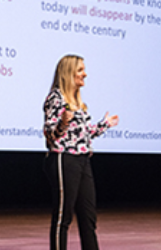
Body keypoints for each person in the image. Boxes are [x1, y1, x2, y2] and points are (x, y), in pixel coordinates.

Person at [43, 55, 119, 250]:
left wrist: (105, 125)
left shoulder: (78, 101)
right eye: (80, 70)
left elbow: (84, 134)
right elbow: (50, 134)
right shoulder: (56, 98)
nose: (85, 74)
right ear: (69, 73)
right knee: (63, 217)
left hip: (83, 160)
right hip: (63, 159)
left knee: (88, 217)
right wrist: (63, 122)